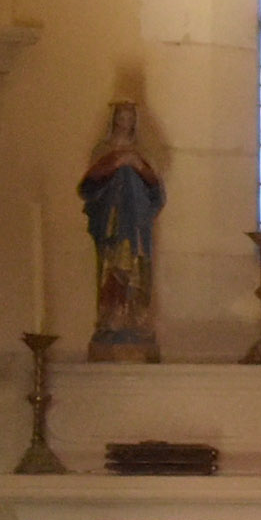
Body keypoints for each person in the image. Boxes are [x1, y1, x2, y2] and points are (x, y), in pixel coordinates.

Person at [79, 99, 166, 353]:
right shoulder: (103, 150)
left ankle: (136, 320)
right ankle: (110, 320)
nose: (125, 121)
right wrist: (115, 164)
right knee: (112, 270)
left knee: (136, 269)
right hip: (111, 224)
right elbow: (88, 187)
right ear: (114, 119)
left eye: (129, 117)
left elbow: (155, 190)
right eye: (121, 116)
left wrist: (136, 165)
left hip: (136, 224)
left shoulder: (142, 152)